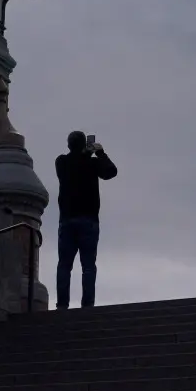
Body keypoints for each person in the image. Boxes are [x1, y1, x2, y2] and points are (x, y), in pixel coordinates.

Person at [54, 131, 118, 309]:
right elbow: (111, 172)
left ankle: (62, 305)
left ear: (68, 145)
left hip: (66, 220)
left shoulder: (61, 162)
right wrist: (100, 152)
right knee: (88, 266)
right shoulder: (92, 164)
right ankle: (87, 305)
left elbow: (72, 166)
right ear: (84, 145)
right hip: (89, 220)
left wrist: (84, 153)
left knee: (64, 265)